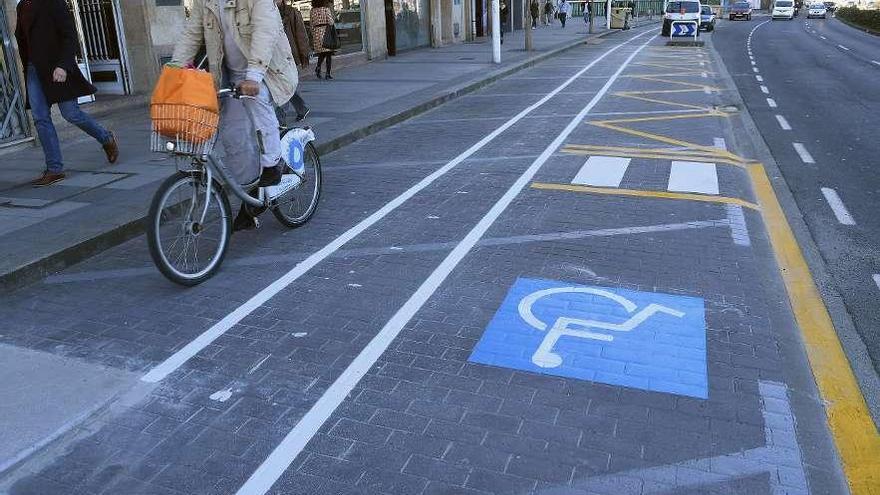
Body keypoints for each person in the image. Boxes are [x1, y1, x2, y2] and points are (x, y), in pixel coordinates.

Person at [172, 0, 299, 230]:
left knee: (255, 99)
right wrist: (173, 71)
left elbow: (265, 30)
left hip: (268, 71)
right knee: (232, 134)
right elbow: (191, 34)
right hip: (231, 78)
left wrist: (254, 75)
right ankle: (252, 196)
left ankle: (274, 162)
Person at [15, 0, 119, 187]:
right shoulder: (22, 5)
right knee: (40, 118)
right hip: (33, 70)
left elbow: (70, 37)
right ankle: (55, 170)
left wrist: (63, 65)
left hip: (57, 68)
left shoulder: (54, 3)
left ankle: (106, 138)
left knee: (71, 113)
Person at [277, 0, 311, 121]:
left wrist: (304, 54)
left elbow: (301, 34)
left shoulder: (291, 12)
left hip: (288, 55)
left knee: (283, 85)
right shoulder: (266, 11)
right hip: (273, 55)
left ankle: (281, 118)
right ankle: (301, 108)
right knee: (286, 84)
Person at [310, 0, 335, 80]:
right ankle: (327, 73)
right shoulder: (325, 9)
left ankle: (318, 67)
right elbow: (331, 22)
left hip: (317, 33)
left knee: (322, 53)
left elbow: (311, 23)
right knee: (328, 54)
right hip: (326, 32)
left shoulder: (312, 10)